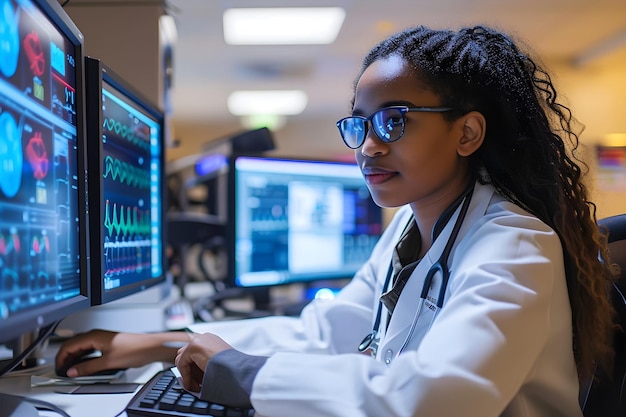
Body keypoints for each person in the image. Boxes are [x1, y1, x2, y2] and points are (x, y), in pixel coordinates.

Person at [56, 25, 617, 417]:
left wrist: (242, 374)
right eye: (360, 126)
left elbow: (434, 401)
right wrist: (164, 342)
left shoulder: (515, 246)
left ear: (467, 133)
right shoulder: (409, 230)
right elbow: (327, 334)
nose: (368, 148)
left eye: (394, 122)